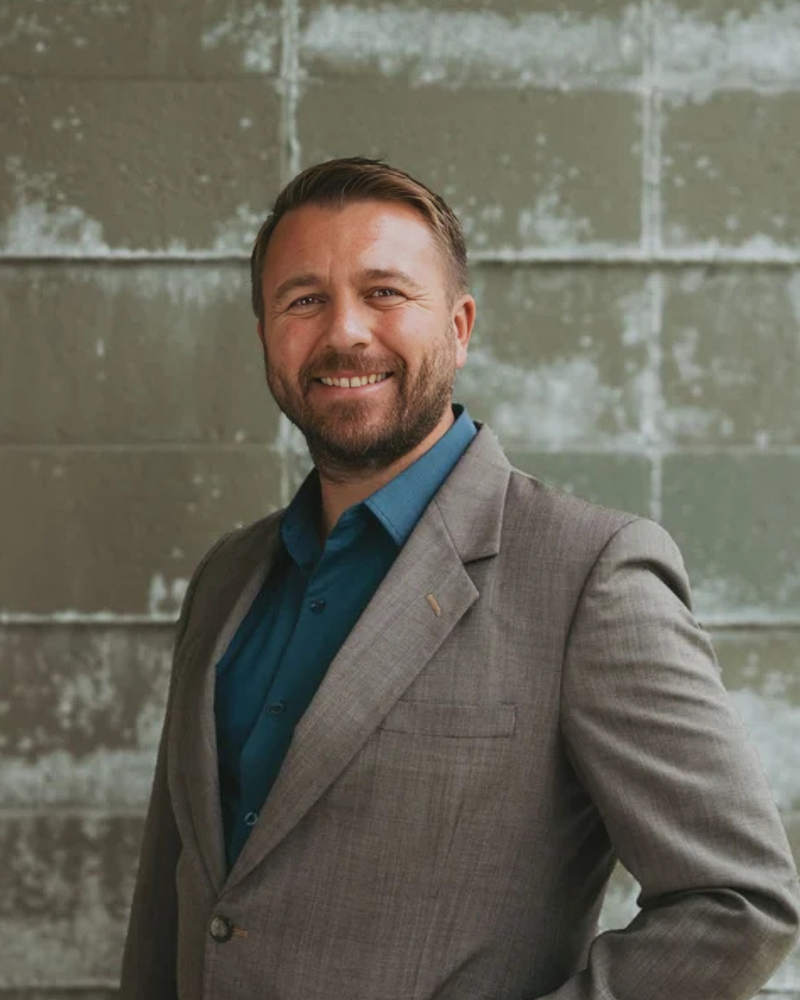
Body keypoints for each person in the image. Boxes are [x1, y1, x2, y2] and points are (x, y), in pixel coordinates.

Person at [121, 157, 799, 1000]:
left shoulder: (590, 572)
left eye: (385, 293)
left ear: (460, 325)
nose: (345, 333)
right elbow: (170, 913)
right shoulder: (227, 581)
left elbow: (739, 901)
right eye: (304, 300)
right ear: (266, 332)